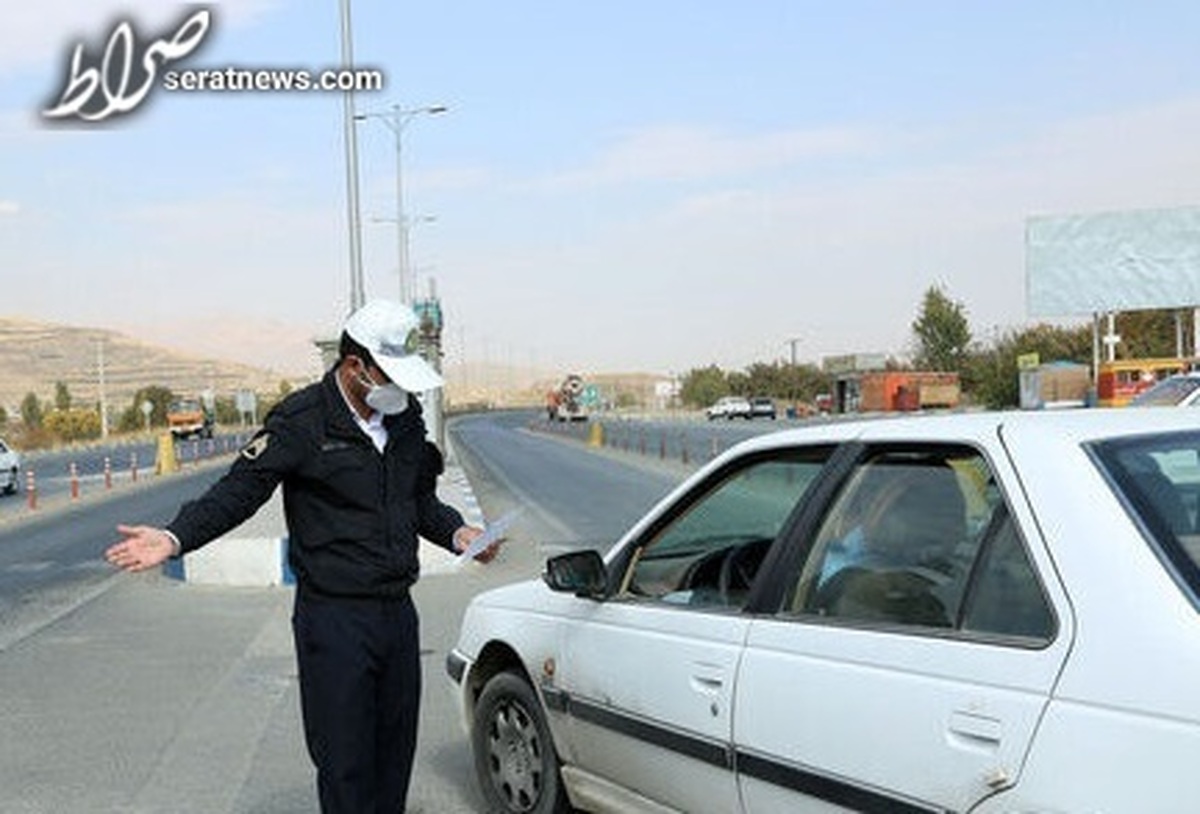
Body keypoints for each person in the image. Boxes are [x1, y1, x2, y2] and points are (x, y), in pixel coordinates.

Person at [105, 299, 496, 813]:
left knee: (392, 756)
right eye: (390, 374)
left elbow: (417, 499)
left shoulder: (405, 419)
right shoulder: (301, 421)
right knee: (346, 763)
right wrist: (176, 537)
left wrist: (457, 533)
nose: (399, 387)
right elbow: (238, 492)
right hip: (333, 619)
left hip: (397, 615)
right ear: (354, 366)